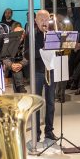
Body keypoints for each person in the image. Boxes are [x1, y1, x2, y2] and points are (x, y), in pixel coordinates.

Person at [25, 9, 57, 146]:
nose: (44, 22)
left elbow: (58, 50)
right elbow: (28, 54)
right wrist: (43, 51)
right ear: (36, 21)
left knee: (51, 102)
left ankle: (49, 131)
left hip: (51, 69)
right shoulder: (30, 35)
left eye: (46, 20)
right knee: (37, 103)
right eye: (41, 20)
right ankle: (36, 133)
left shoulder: (53, 33)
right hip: (38, 71)